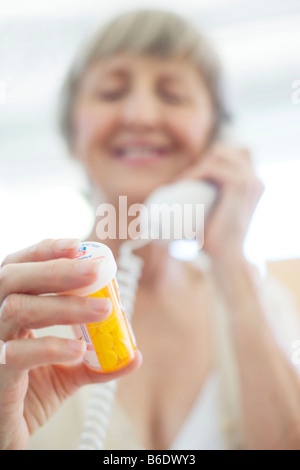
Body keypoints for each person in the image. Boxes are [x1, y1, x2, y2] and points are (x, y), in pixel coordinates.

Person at [1, 10, 300, 451]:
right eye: (110, 92)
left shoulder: (258, 302)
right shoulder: (18, 313)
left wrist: (230, 260)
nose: (140, 115)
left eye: (173, 95)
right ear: (72, 129)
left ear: (215, 138)